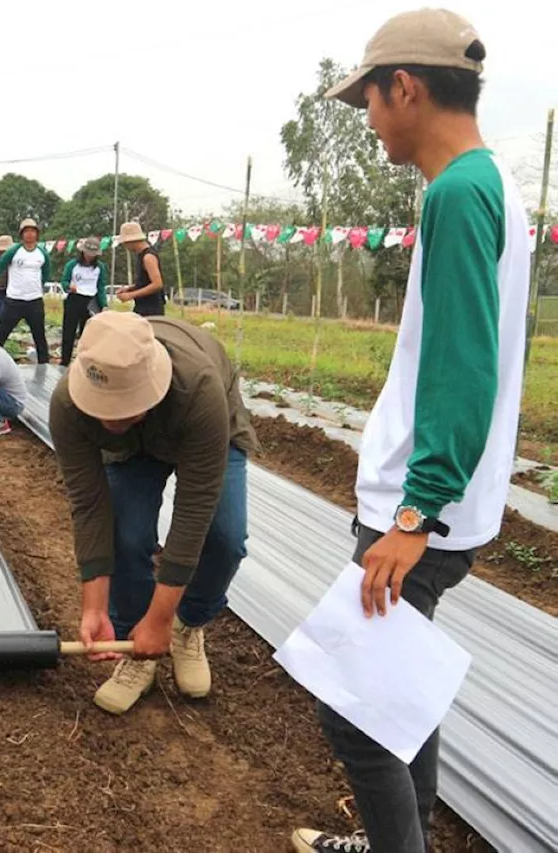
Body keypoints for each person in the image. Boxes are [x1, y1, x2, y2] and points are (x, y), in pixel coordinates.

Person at [293, 11, 529, 853]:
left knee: (354, 712)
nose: (368, 118)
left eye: (369, 99)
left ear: (406, 87)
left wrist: (412, 516)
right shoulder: (488, 182)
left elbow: (464, 368)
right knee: (396, 690)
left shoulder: (462, 194)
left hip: (420, 513)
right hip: (441, 507)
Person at [50, 312, 256, 717]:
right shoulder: (68, 404)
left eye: (122, 409)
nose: (109, 419)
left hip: (201, 424)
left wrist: (163, 617)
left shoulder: (199, 389)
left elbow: (194, 508)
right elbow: (89, 504)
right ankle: (134, 647)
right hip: (134, 447)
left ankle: (186, 626)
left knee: (225, 538)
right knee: (125, 533)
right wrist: (94, 608)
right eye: (101, 408)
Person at [0, 219, 51, 363]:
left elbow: (46, 273)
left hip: (34, 301)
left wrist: (37, 288)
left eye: (33, 231)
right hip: (14, 300)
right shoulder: (14, 251)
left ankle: (45, 367)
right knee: (1, 334)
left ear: (37, 234)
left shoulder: (42, 253)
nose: (30, 234)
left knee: (39, 337)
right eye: (26, 231)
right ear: (22, 234)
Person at [59, 237, 109, 366]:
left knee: (87, 334)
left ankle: (84, 361)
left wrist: (104, 304)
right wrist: (69, 287)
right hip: (74, 299)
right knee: (68, 332)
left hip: (91, 301)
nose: (90, 257)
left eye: (93, 255)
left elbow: (100, 287)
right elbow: (64, 281)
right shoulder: (72, 265)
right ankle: (65, 361)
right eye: (88, 254)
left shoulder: (100, 267)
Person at [113, 222, 166, 317]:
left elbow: (157, 284)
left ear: (132, 241)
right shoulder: (141, 256)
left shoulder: (148, 257)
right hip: (142, 306)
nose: (125, 246)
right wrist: (130, 288)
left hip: (151, 309)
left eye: (125, 243)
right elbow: (146, 281)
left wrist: (131, 295)